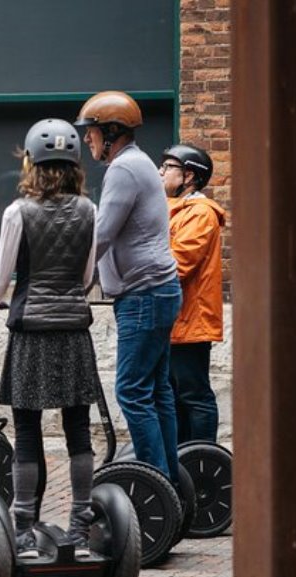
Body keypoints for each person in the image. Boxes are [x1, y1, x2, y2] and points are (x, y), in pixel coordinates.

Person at [0, 119, 99, 558]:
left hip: (31, 330)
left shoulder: (18, 212)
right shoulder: (89, 209)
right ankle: (81, 531)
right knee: (78, 430)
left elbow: (3, 277)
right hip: (73, 329)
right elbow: (86, 278)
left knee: (27, 432)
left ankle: (24, 530)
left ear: (31, 162)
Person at [74, 90, 182, 485]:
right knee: (157, 391)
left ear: (113, 131)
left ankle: (154, 485)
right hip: (158, 291)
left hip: (143, 295)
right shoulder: (138, 164)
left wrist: (72, 277)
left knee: (132, 392)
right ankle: (169, 481)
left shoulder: (123, 169)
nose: (87, 139)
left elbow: (101, 234)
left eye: (93, 132)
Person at [160, 144, 224, 443]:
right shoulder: (175, 210)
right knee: (174, 398)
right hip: (175, 321)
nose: (160, 171)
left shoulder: (200, 214)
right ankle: (184, 461)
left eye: (168, 167)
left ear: (189, 176)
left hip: (191, 322)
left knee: (194, 395)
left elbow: (178, 263)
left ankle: (204, 463)